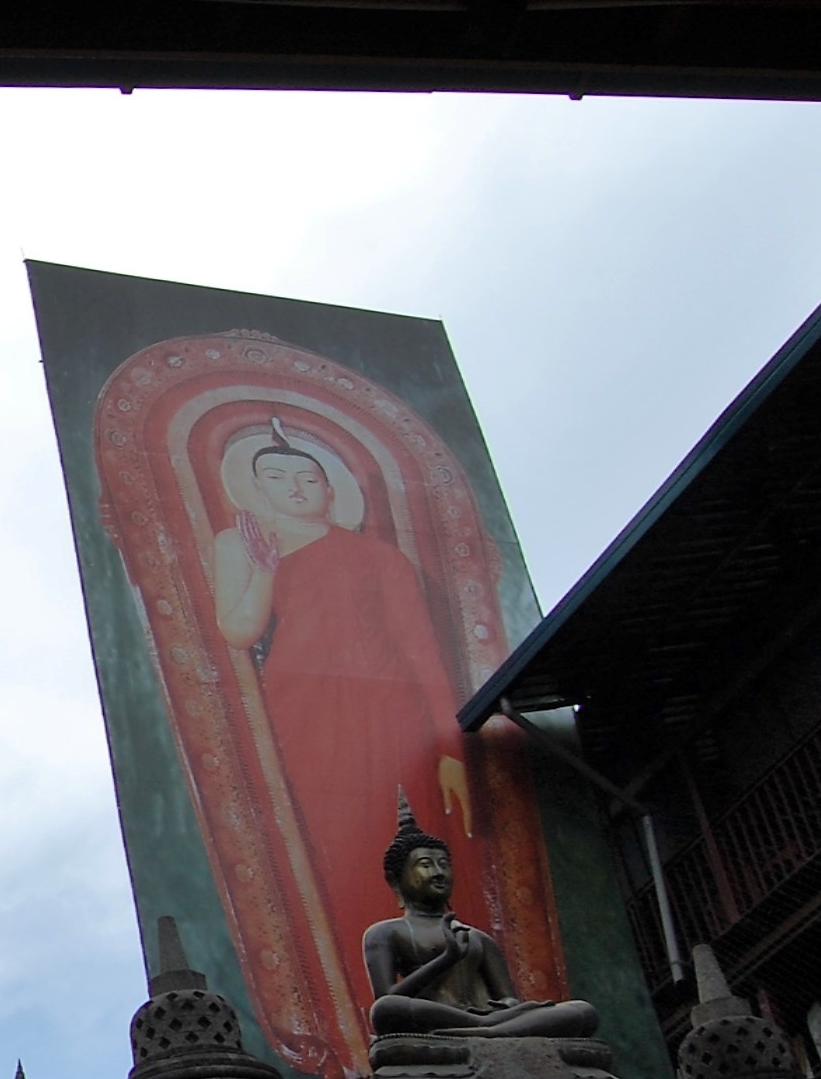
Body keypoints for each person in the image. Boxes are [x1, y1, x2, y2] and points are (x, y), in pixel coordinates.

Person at [210, 416, 492, 1023]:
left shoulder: (376, 556)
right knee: (343, 844)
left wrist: (448, 746)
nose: (293, 487)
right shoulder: (247, 547)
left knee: (417, 838)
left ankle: (463, 998)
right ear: (255, 489)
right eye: (275, 477)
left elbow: (421, 648)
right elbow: (238, 630)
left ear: (330, 489)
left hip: (392, 710)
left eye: (307, 477)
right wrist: (265, 568)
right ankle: (384, 1003)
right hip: (307, 712)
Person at [364, 795, 599, 1041]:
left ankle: (488, 1030)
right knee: (386, 1009)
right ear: (396, 880)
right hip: (435, 1017)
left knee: (583, 1011)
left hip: (490, 1016)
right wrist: (446, 959)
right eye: (425, 865)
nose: (438, 872)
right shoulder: (385, 933)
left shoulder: (477, 937)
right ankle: (483, 1027)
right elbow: (387, 998)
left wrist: (506, 1006)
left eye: (443, 864)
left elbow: (508, 998)